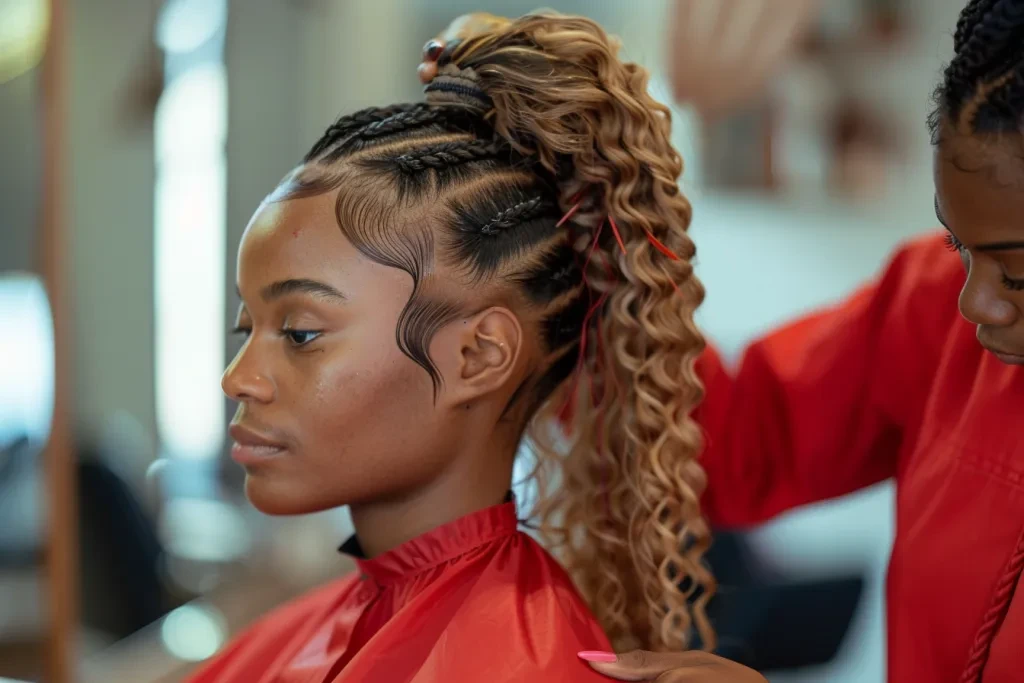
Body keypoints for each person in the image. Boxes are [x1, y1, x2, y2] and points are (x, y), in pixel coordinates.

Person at [186, 11, 723, 683]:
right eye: (248, 329)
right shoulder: (303, 632)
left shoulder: (519, 662)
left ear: (478, 356)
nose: (238, 378)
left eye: (299, 333)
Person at [571, 0, 1024, 681]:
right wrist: (590, 236)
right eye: (962, 248)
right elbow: (732, 437)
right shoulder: (935, 309)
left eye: (1016, 269)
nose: (975, 299)